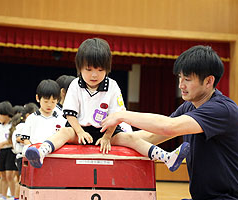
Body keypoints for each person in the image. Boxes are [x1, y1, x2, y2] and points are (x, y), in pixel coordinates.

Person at [100, 45, 238, 200]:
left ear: (209, 81)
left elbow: (168, 127)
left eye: (187, 79)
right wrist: (107, 138)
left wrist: (121, 115)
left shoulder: (222, 110)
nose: (181, 85)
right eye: (180, 78)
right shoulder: (189, 106)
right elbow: (152, 135)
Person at [25, 38, 189, 171]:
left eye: (99, 69)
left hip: (107, 130)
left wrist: (107, 137)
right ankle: (40, 152)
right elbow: (69, 114)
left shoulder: (113, 86)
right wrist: (80, 132)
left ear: (107, 69)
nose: (94, 75)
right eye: (88, 69)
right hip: (80, 130)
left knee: (131, 138)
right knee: (63, 133)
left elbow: (116, 116)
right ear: (80, 68)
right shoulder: (75, 84)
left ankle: (167, 158)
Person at [21, 79, 67, 151]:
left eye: (53, 102)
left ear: (57, 100)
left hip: (55, 155)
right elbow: (25, 139)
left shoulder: (61, 119)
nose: (49, 105)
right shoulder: (31, 118)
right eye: (46, 101)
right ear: (37, 98)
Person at [9, 103, 38, 200]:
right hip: (22, 157)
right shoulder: (22, 125)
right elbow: (18, 138)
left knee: (27, 181)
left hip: (31, 157)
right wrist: (31, 141)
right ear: (28, 115)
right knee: (21, 180)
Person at [0, 101, 17, 200]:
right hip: (1, 153)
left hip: (10, 152)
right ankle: (2, 196)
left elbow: (12, 140)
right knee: (3, 175)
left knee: (10, 175)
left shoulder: (13, 126)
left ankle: (14, 196)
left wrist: (2, 144)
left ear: (6, 114)